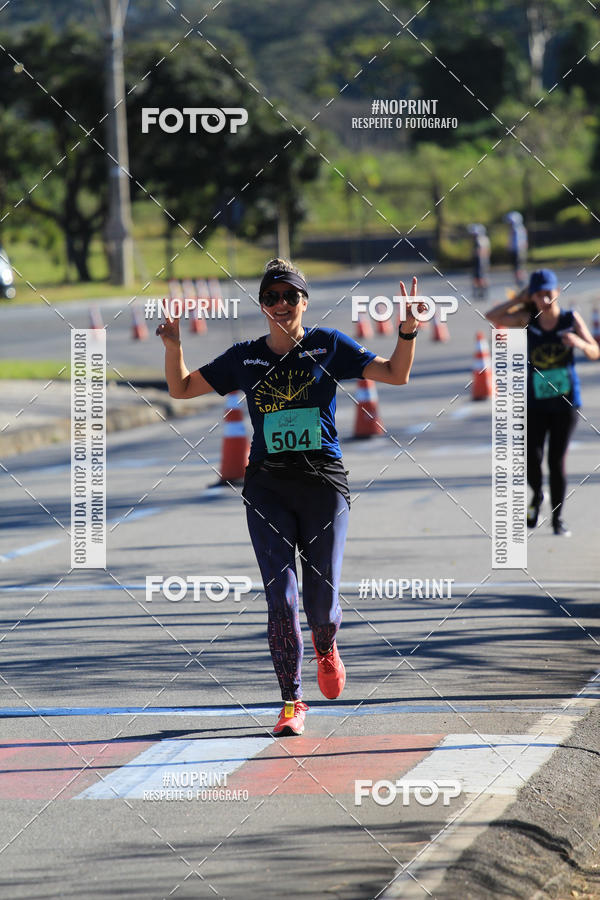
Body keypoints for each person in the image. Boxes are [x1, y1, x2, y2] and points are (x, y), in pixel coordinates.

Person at [157, 258, 425, 735]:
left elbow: (395, 374)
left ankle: (326, 646)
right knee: (280, 598)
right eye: (271, 297)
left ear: (304, 301)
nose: (281, 304)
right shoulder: (245, 357)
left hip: (323, 484)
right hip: (267, 485)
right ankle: (291, 702)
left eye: (289, 296)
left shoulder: (329, 344)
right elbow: (180, 388)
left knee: (320, 602)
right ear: (262, 306)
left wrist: (406, 332)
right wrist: (173, 345)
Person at [486, 268, 599, 536]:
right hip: (535, 402)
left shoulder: (570, 319)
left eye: (548, 293)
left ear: (557, 291)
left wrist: (580, 344)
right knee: (531, 458)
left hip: (566, 402)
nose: (545, 299)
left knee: (556, 461)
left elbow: (595, 351)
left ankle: (557, 519)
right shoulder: (529, 319)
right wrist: (519, 299)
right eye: (538, 295)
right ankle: (537, 494)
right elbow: (492, 317)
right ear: (533, 296)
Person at [468, 224, 491, 301]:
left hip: (480, 260)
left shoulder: (481, 239)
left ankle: (483, 291)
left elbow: (482, 251)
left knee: (480, 276)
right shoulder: (483, 239)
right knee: (478, 276)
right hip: (481, 260)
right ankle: (480, 291)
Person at [505, 211, 528, 287]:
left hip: (517, 251)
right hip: (518, 251)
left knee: (518, 268)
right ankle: (520, 282)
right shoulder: (520, 228)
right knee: (518, 268)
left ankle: (521, 283)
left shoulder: (517, 229)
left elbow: (517, 242)